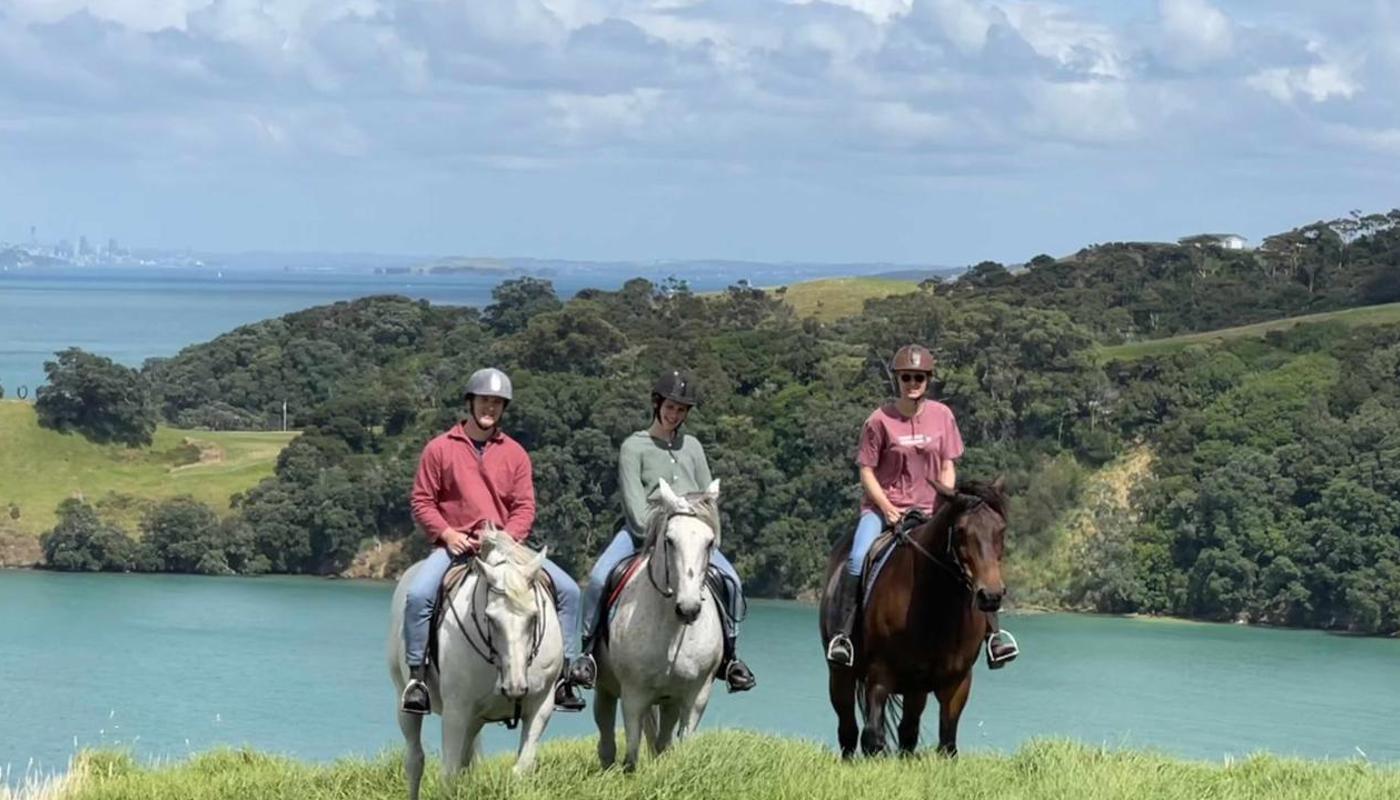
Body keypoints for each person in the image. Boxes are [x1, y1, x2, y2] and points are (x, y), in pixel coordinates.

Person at [400, 367, 592, 714]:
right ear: (470, 403)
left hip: (506, 546)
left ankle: (564, 675)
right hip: (457, 546)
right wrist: (446, 533)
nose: (490, 408)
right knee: (418, 595)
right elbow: (422, 500)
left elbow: (524, 506)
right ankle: (417, 679)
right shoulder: (439, 448)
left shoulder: (515, 453)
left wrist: (509, 537)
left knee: (569, 591)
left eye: (497, 403)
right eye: (484, 401)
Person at [824, 345, 1019, 668]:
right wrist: (886, 508)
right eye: (906, 377)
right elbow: (866, 471)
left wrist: (945, 504)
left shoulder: (943, 416)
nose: (912, 382)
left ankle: (993, 636)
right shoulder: (878, 421)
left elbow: (947, 464)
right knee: (858, 558)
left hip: (932, 511)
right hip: (884, 510)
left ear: (928, 380)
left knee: (972, 556)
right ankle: (844, 636)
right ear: (897, 380)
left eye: (918, 377)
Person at [570, 370, 757, 693]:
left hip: (692, 537)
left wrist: (706, 535)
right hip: (641, 535)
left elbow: (707, 501)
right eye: (670, 407)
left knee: (733, 583)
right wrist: (660, 525)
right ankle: (587, 654)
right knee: (599, 578)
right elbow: (636, 509)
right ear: (657, 404)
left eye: (681, 410)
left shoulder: (694, 447)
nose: (675, 415)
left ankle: (730, 657)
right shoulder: (634, 447)